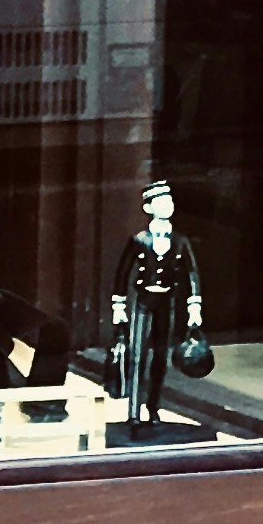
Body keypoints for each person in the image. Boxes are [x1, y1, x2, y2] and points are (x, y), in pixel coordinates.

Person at [109, 174, 207, 436]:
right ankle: (133, 412)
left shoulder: (180, 241)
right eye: (161, 201)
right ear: (148, 208)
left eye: (169, 200)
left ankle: (153, 407)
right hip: (143, 302)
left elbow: (192, 274)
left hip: (168, 302)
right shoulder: (140, 240)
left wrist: (194, 306)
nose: (168, 205)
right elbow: (122, 275)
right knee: (137, 355)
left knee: (161, 357)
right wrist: (118, 307)